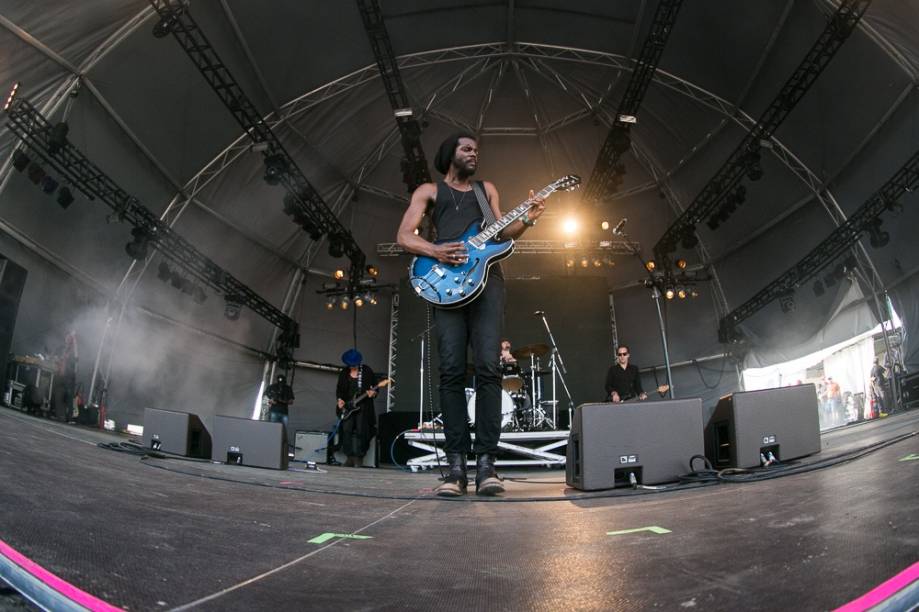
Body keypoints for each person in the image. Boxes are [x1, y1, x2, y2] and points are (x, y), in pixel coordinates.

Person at [396, 132, 545, 496]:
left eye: (476, 150)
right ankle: (456, 467)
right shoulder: (428, 192)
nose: (474, 154)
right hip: (446, 284)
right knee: (450, 371)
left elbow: (501, 232)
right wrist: (436, 251)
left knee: (489, 369)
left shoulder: (486, 189)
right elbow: (403, 235)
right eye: (467, 149)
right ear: (450, 154)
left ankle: (487, 466)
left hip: (488, 283)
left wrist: (527, 219)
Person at [335, 348, 378, 468]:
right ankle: (349, 457)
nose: (351, 367)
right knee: (346, 430)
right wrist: (340, 400)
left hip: (363, 406)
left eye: (353, 365)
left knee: (361, 431)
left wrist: (373, 393)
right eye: (350, 365)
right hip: (348, 406)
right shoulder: (344, 373)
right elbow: (339, 390)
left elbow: (376, 387)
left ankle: (359, 457)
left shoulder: (367, 371)